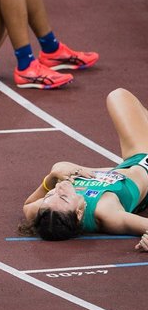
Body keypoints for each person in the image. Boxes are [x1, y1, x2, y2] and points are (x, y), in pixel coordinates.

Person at [20, 88, 148, 243]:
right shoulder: (106, 213)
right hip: (144, 164)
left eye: (49, 195)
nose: (58, 189)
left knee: (118, 96)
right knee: (118, 96)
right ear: (79, 213)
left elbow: (28, 206)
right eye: (63, 197)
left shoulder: (49, 209)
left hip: (132, 160)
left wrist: (50, 179)